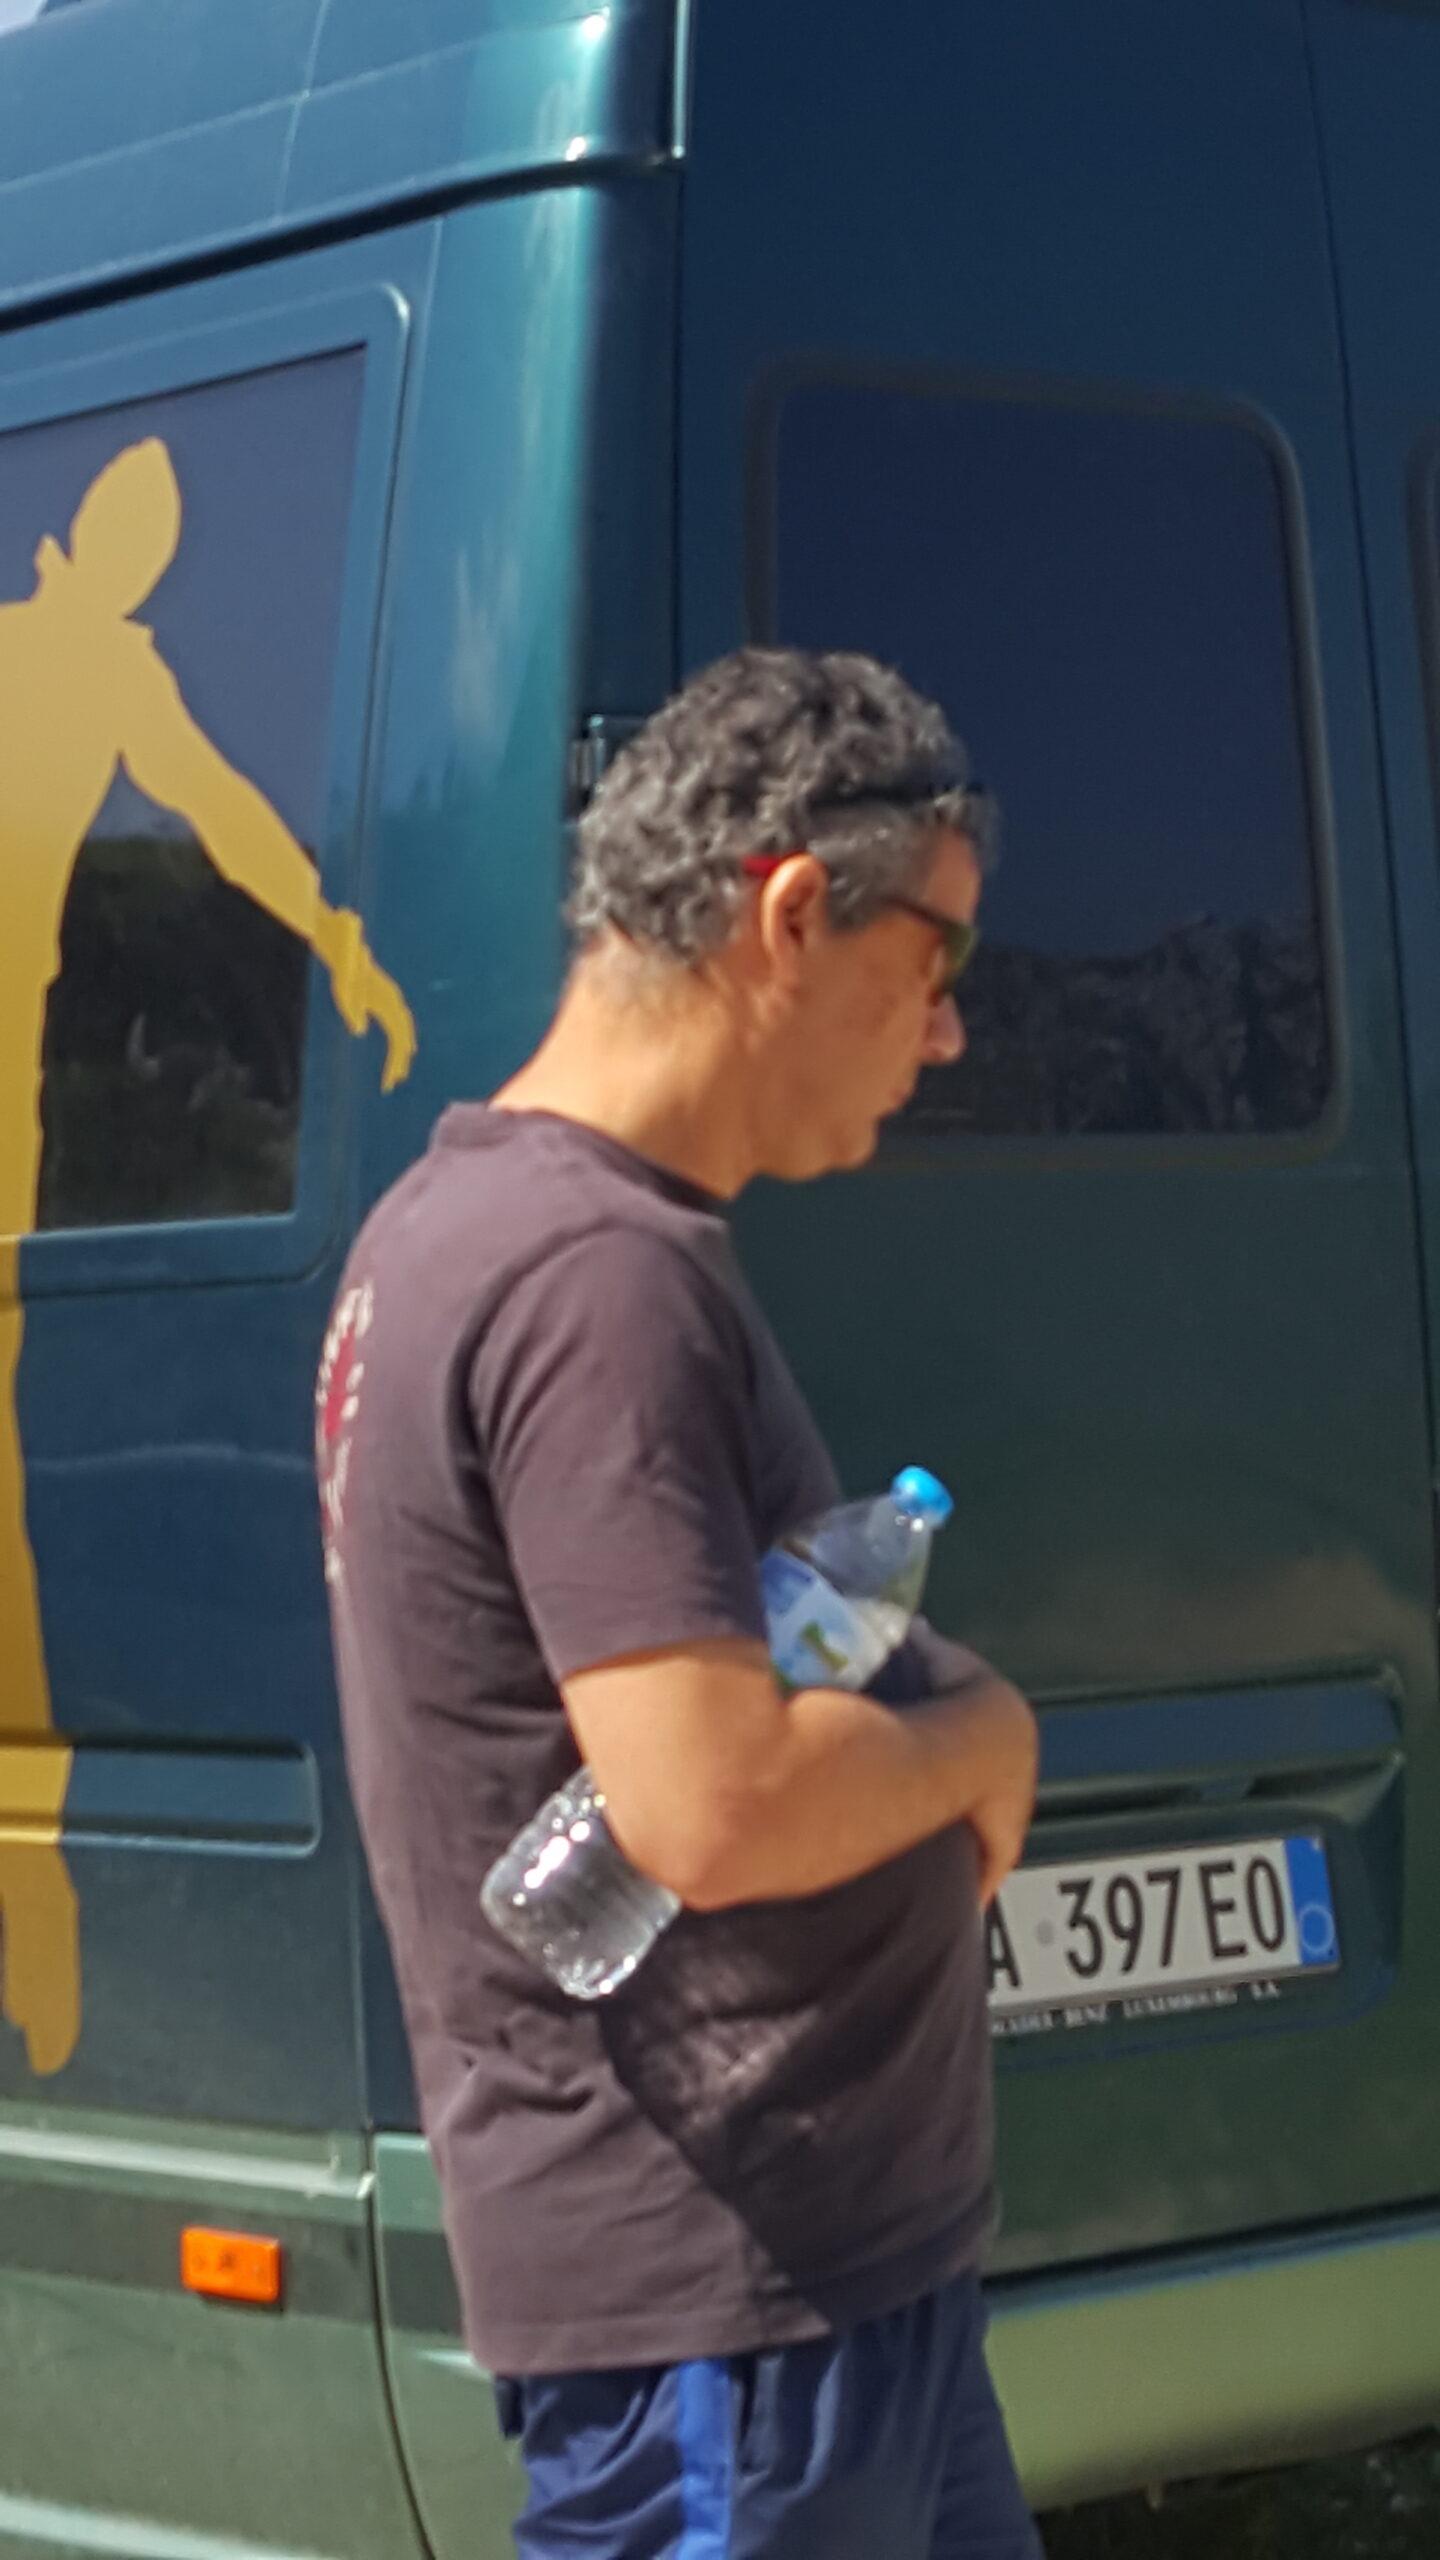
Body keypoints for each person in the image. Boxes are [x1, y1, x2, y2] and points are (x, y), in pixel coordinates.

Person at [318, 647, 1042, 2558]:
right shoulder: (590, 1276)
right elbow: (705, 1802)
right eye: (940, 960)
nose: (948, 1034)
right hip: (724, 2314)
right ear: (792, 913)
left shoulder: (500, 1230)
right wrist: (983, 1741)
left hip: (828, 2289)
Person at [0, 435, 413, 2076]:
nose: (142, 560)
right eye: (134, 531)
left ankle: (42, 1950)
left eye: (158, 545)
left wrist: (339, 940)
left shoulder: (110, 670)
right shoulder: (68, 659)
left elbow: (233, 822)